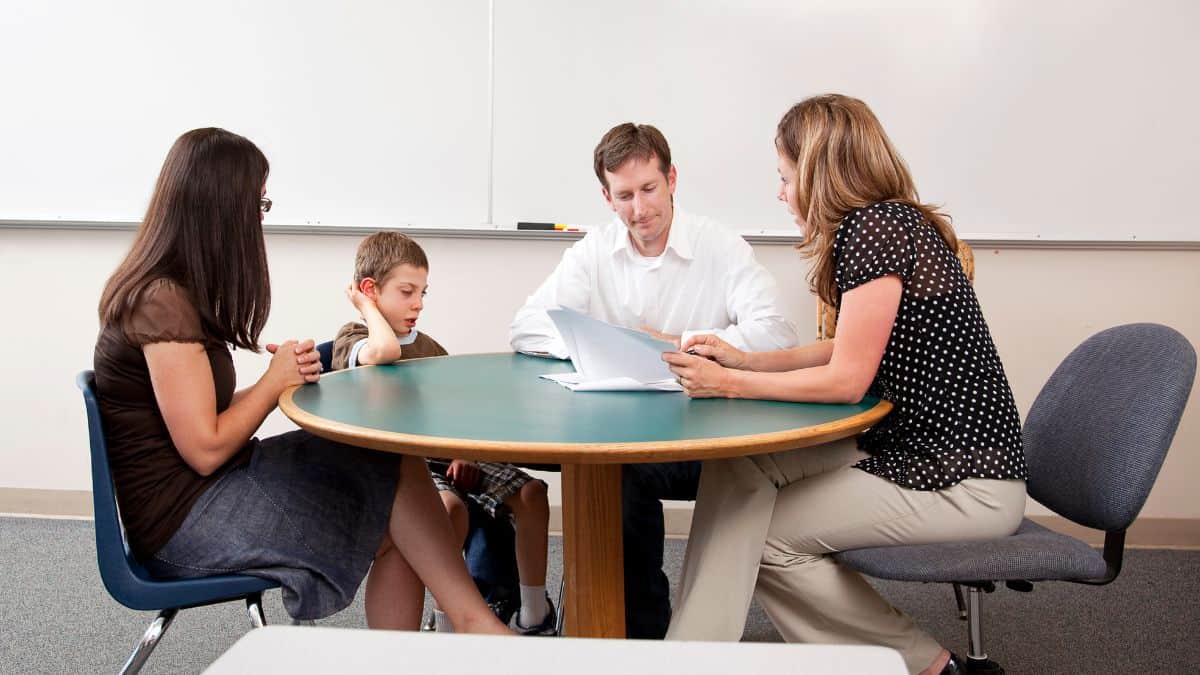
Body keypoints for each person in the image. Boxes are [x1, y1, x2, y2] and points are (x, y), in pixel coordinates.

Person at [661, 94, 1028, 675]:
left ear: (816, 172)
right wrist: (747, 362)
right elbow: (849, 345)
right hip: (918, 450)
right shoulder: (894, 222)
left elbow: (846, 377)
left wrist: (727, 383)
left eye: (785, 177)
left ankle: (930, 667)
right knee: (741, 466)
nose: (780, 193)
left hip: (966, 479)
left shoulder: (876, 230)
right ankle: (690, 656)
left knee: (766, 539)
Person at [92, 127, 509, 634]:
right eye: (258, 203)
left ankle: (466, 623)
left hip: (206, 492)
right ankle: (475, 621)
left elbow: (200, 418)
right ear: (219, 205)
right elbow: (203, 447)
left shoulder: (171, 292)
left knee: (391, 472)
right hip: (185, 525)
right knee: (394, 505)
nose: (260, 217)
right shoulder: (161, 301)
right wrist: (272, 384)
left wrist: (284, 379)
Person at [509, 122, 798, 638]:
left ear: (672, 180)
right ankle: (637, 634)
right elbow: (527, 326)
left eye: (649, 190)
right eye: (624, 196)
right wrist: (603, 340)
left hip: (710, 436)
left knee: (627, 473)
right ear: (606, 195)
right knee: (614, 472)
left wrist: (679, 341)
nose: (639, 210)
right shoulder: (594, 250)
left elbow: (776, 334)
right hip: (627, 436)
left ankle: (659, 635)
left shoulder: (720, 246)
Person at [332, 231, 557, 636]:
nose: (418, 303)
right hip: (409, 466)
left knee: (533, 494)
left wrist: (463, 452)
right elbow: (384, 353)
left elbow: (460, 409)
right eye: (407, 291)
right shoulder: (355, 339)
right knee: (448, 511)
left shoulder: (431, 347)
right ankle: (447, 623)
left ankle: (534, 615)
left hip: (451, 450)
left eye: (423, 292)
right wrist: (365, 309)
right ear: (370, 290)